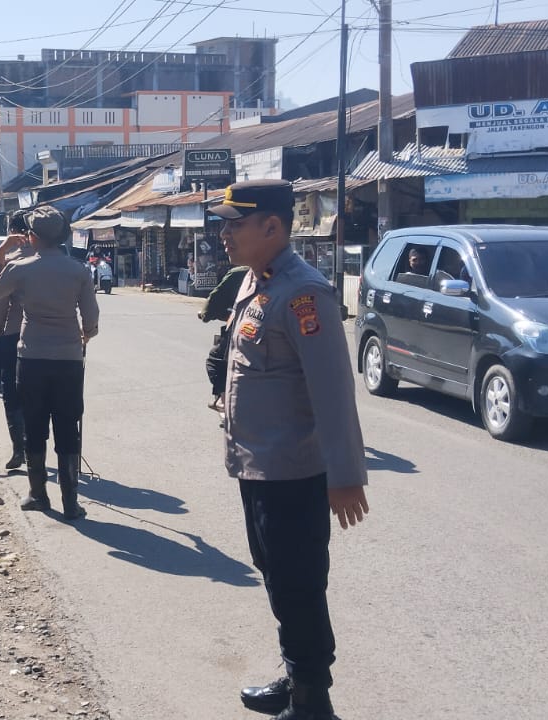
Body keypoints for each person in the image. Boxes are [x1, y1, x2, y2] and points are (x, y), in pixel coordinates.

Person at [209, 179, 369, 720]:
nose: (224, 233)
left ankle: (312, 703)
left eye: (235, 223)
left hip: (293, 472)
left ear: (272, 227)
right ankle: (297, 675)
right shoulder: (255, 282)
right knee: (278, 576)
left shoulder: (304, 294)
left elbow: (333, 392)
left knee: (298, 583)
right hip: (258, 465)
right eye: (224, 223)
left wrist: (346, 475)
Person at [0, 207, 98, 519]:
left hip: (31, 357)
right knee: (67, 426)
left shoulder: (20, 268)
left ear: (32, 237)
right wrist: (86, 335)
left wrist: (1, 255)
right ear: (62, 237)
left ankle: (37, 494)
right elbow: (91, 320)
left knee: (34, 426)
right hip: (69, 360)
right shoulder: (79, 271)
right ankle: (71, 503)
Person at [0, 210, 36, 470]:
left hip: (14, 336)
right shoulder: (56, 257)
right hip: (48, 340)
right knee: (38, 397)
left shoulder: (11, 260)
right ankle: (35, 448)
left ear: (12, 232)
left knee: (12, 396)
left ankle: (20, 449)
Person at [202, 264, 251, 413]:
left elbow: (214, 301)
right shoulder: (283, 272)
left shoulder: (240, 273)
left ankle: (224, 402)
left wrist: (206, 314)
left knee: (216, 360)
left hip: (246, 330)